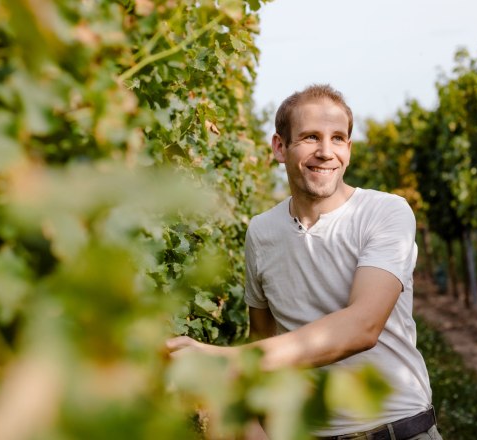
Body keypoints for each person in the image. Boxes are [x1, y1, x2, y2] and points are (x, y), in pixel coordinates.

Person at [167, 84, 440, 440]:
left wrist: (222, 360)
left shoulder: (385, 212)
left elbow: (363, 327)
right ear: (280, 147)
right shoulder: (261, 232)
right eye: (311, 137)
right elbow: (263, 337)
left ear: (349, 149)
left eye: (338, 138)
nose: (327, 152)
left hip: (399, 431)